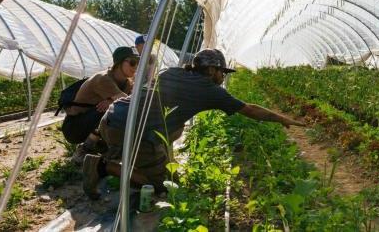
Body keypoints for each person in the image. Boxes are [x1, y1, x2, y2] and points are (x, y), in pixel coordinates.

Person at [82, 48, 305, 199]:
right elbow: (249, 109)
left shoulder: (173, 71)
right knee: (164, 186)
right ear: (210, 70)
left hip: (114, 117)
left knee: (174, 132)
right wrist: (281, 118)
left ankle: (121, 152)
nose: (223, 77)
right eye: (221, 72)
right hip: (126, 129)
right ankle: (102, 166)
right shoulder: (208, 89)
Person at [64, 46, 138, 164]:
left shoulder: (127, 83)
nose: (136, 67)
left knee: (116, 108)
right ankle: (83, 150)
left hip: (90, 123)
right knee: (115, 109)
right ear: (119, 62)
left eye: (138, 63)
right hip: (74, 127)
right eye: (133, 63)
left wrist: (110, 101)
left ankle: (102, 148)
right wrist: (112, 102)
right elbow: (130, 102)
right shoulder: (103, 78)